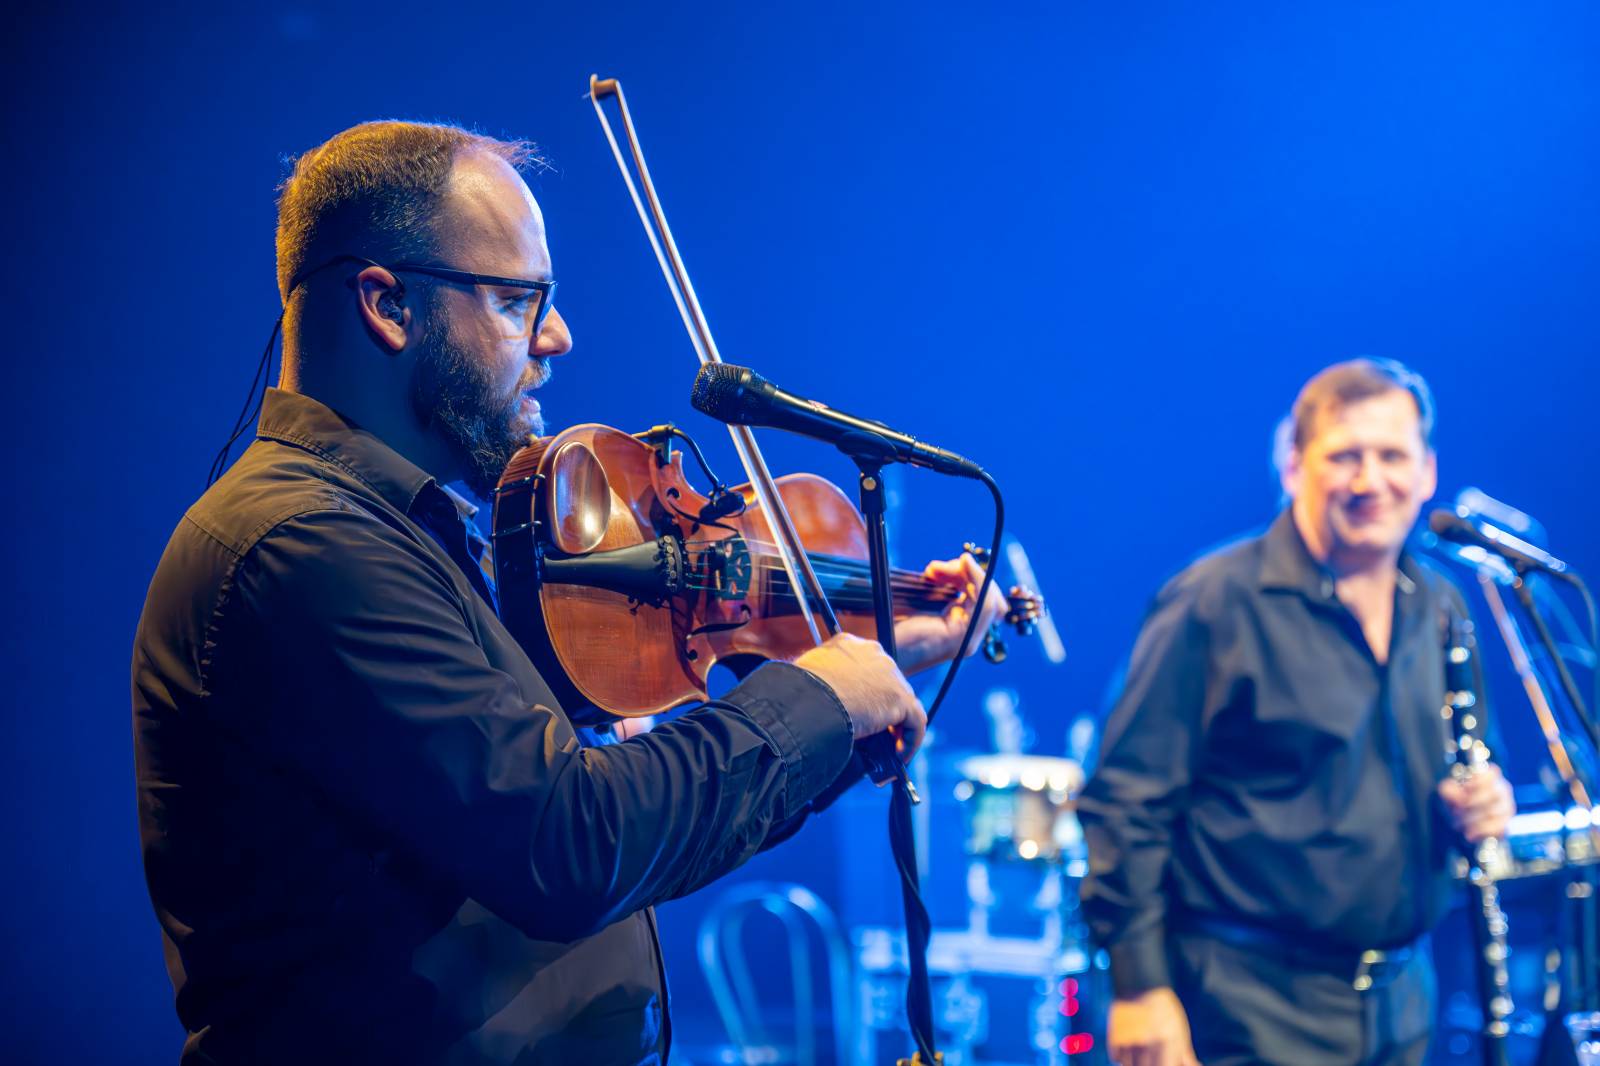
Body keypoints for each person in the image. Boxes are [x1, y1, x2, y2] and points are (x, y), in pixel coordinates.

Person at [131, 120, 1003, 1065]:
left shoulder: (415, 532)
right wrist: (814, 698)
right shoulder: (305, 544)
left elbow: (631, 830)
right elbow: (571, 845)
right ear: (387, 305)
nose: (556, 336)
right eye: (518, 300)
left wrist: (864, 673)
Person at [1077, 359, 1516, 1066]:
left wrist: (1483, 799)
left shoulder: (1439, 604)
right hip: (1247, 1007)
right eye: (1345, 456)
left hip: (1403, 1000)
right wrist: (1139, 989)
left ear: (1428, 471)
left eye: (1392, 456)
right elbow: (1124, 803)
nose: (1370, 482)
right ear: (1292, 466)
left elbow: (1470, 759)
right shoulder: (1213, 601)